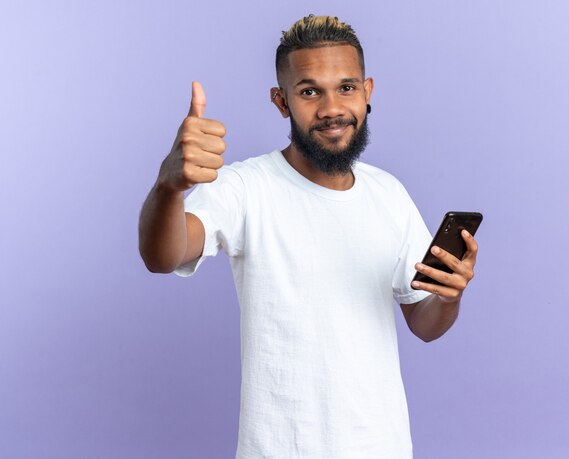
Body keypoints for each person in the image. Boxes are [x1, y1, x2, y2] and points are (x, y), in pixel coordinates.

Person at [138, 14, 479, 459]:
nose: (332, 107)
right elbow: (163, 256)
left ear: (367, 91)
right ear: (281, 101)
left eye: (346, 87)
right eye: (309, 91)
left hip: (381, 446)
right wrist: (169, 186)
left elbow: (424, 323)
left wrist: (449, 297)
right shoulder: (246, 187)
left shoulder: (389, 194)